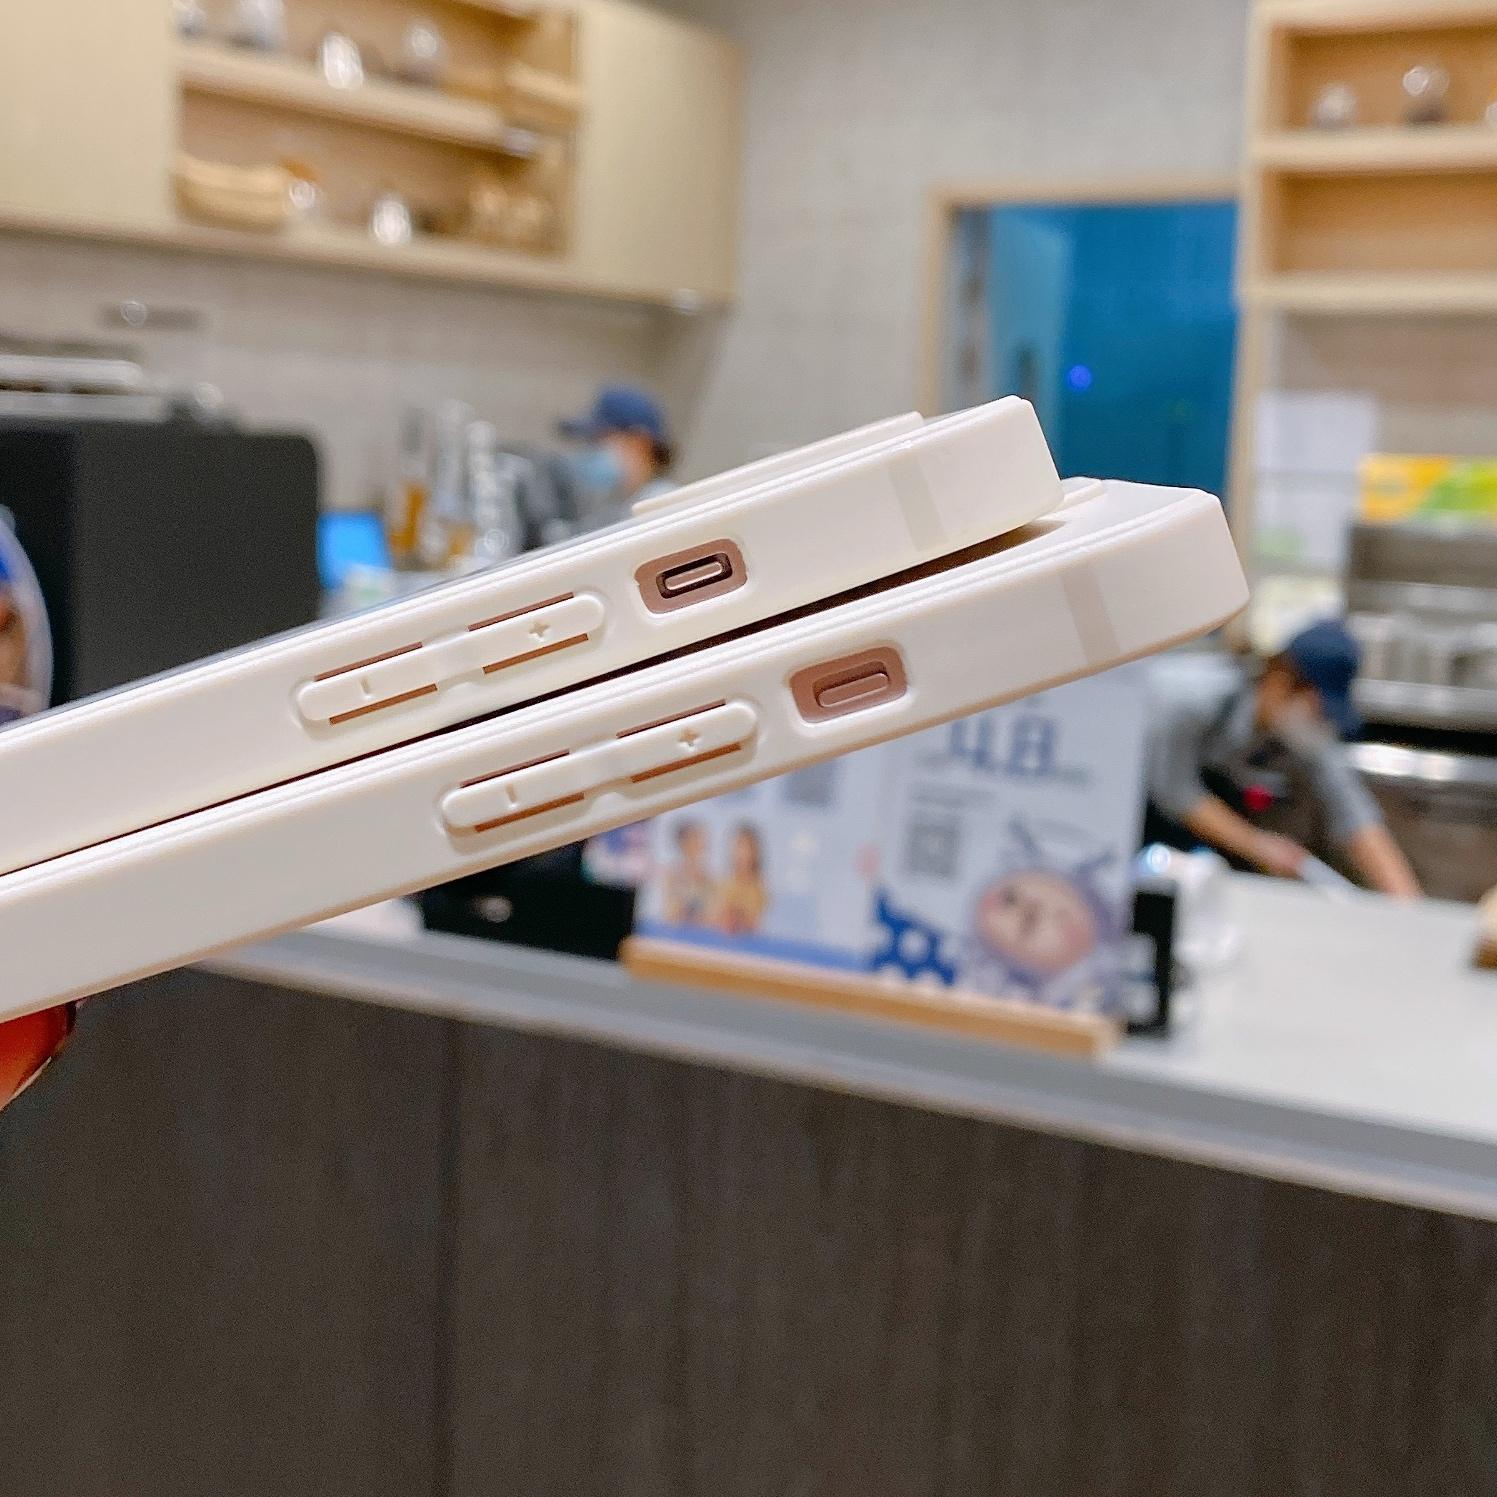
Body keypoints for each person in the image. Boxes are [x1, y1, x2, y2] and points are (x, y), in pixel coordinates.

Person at [1144, 618, 1420, 898]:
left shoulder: (1304, 733)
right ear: (1281, 677)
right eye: (1316, 707)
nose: (1318, 720)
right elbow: (1174, 790)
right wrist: (1257, 845)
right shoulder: (1192, 698)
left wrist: (1409, 908)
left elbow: (1355, 818)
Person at [558, 383, 677, 517]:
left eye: (597, 439)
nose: (588, 451)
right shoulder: (616, 506)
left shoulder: (665, 508)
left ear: (638, 443)